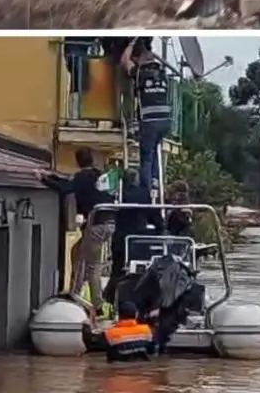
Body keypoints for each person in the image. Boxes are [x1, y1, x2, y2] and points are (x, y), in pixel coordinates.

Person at [41, 147, 114, 323]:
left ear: (77, 161)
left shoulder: (82, 178)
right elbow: (69, 180)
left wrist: (44, 180)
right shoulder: (98, 175)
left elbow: (66, 188)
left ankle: (93, 302)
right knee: (78, 252)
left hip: (95, 224)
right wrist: (51, 175)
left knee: (90, 265)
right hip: (109, 222)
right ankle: (78, 291)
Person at [120, 37, 173, 195]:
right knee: (155, 150)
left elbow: (124, 61)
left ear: (137, 59)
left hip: (150, 121)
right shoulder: (162, 73)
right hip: (166, 121)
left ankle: (146, 190)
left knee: (146, 157)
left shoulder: (139, 74)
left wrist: (131, 42)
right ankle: (155, 181)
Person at [102, 168, 161, 308]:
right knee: (142, 271)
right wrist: (160, 228)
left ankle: (110, 299)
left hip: (121, 237)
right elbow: (152, 214)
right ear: (136, 179)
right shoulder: (144, 193)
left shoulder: (119, 194)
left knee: (117, 269)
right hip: (140, 238)